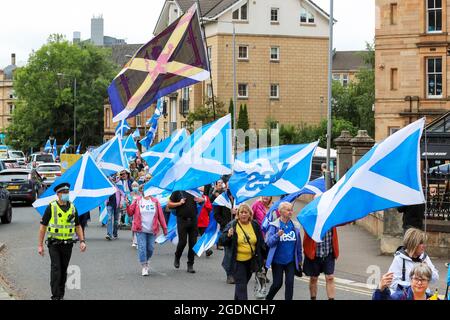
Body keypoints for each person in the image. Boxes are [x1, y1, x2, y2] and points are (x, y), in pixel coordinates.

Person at [38, 182, 87, 300]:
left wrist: (82, 241)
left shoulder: (72, 207)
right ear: (58, 194)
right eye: (63, 192)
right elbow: (43, 226)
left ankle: (61, 294)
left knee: (64, 270)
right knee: (56, 269)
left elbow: (78, 226)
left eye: (67, 192)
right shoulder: (51, 207)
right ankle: (55, 296)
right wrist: (40, 245)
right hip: (54, 244)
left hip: (68, 244)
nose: (66, 194)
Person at [220, 204, 265, 300]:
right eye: (241, 212)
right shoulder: (232, 225)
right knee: (241, 286)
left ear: (250, 214)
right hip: (237, 261)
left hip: (250, 261)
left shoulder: (254, 225)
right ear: (238, 214)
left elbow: (260, 243)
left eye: (246, 212)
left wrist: (263, 258)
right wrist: (228, 235)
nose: (243, 215)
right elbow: (222, 241)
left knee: (242, 286)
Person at [127, 185, 168, 276]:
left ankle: (147, 260)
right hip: (140, 229)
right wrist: (127, 204)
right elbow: (130, 213)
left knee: (150, 248)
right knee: (142, 247)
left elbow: (161, 216)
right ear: (142, 191)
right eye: (145, 190)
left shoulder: (155, 202)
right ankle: (144, 266)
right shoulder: (138, 201)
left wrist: (165, 229)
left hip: (152, 229)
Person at [265, 202, 302, 300]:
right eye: (288, 210)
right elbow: (268, 242)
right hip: (277, 261)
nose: (290, 212)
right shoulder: (274, 225)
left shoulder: (295, 226)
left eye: (291, 210)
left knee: (290, 283)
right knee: (277, 284)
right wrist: (277, 235)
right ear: (281, 211)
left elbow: (298, 245)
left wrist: (300, 259)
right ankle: (268, 298)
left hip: (290, 261)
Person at [387, 228, 439, 292]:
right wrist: (413, 286)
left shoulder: (424, 257)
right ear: (412, 244)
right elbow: (393, 283)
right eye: (421, 243)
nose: (424, 246)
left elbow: (435, 279)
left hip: (422, 295)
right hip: (405, 296)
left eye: (424, 243)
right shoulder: (399, 258)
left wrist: (429, 269)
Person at [168, 190, 204, 273]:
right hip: (182, 219)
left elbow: (202, 201)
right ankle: (177, 256)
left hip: (193, 220)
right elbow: (169, 205)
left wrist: (202, 200)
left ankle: (190, 264)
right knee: (182, 242)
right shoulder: (177, 191)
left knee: (193, 243)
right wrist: (179, 203)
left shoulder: (194, 190)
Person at [303, 225, 339, 300]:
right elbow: (305, 227)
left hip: (328, 252)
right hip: (314, 253)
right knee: (313, 278)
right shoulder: (312, 217)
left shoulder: (331, 217)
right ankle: (313, 298)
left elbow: (342, 221)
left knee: (330, 277)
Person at [197, 186, 213, 257]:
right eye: (200, 187)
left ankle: (207, 250)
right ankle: (195, 250)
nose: (201, 189)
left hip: (204, 221)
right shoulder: (194, 197)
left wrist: (204, 201)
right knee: (194, 237)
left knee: (205, 236)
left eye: (202, 187)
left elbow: (210, 207)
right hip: (196, 220)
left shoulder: (206, 197)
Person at [106, 175, 122, 240]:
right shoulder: (107, 182)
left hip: (117, 204)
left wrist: (121, 202)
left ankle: (115, 233)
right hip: (109, 203)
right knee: (109, 218)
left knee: (116, 220)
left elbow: (123, 194)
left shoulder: (119, 183)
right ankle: (109, 234)